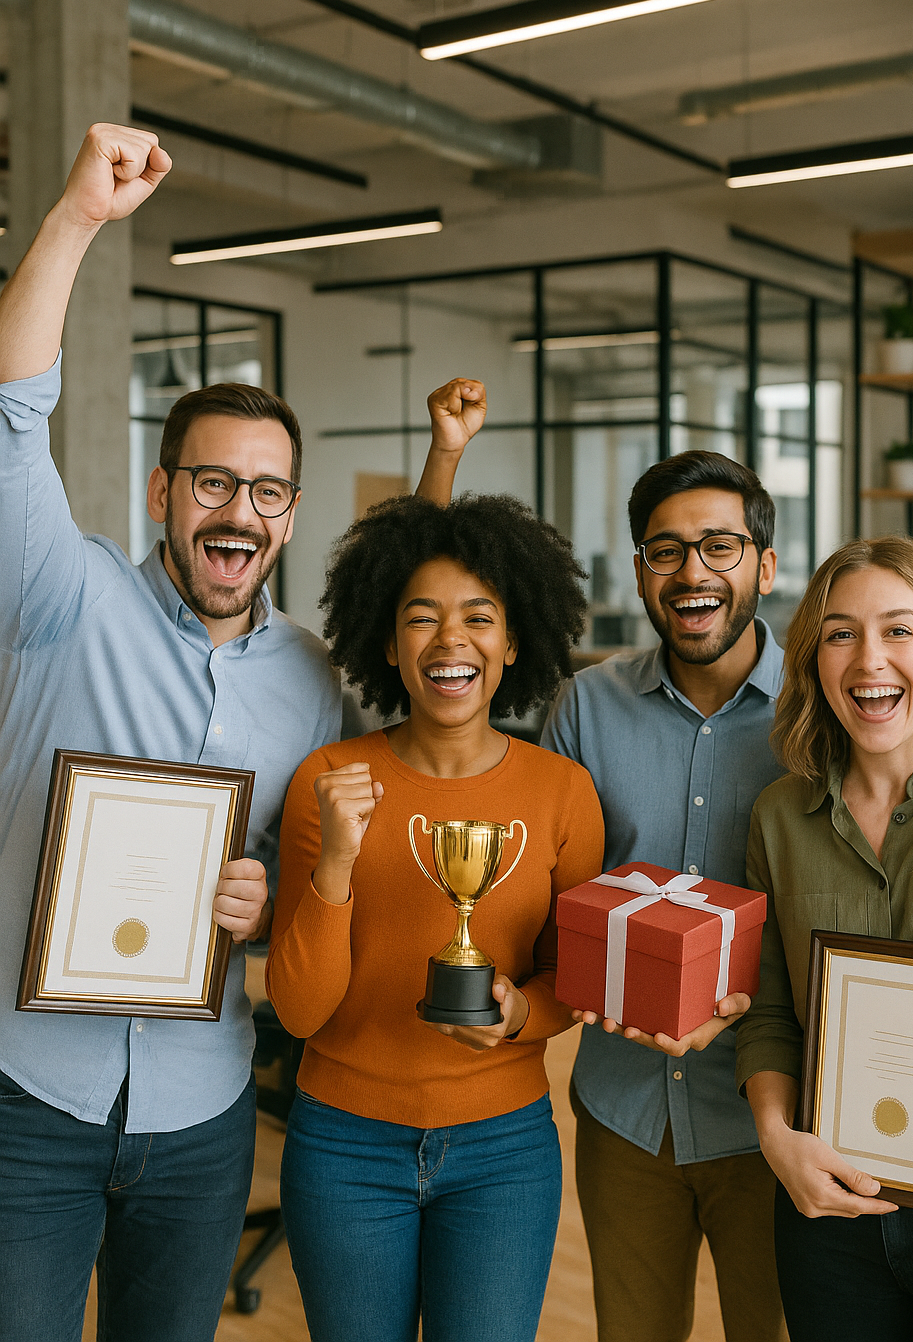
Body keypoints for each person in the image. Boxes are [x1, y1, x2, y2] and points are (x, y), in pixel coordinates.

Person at [0, 121, 486, 1342]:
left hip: (200, 1111)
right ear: (162, 494)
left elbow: (414, 644)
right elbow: (11, 414)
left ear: (290, 514)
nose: (239, 511)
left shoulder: (311, 684)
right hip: (28, 1096)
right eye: (211, 482)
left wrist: (265, 900)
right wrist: (74, 221)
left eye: (266, 490)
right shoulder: (67, 597)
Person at [265, 491, 605, 1342]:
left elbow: (578, 978)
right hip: (344, 1146)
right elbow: (302, 1009)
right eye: (422, 618)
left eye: (478, 617)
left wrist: (522, 1013)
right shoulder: (327, 779)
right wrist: (338, 861)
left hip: (503, 1152)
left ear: (514, 639)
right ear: (388, 641)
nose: (451, 641)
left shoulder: (564, 792)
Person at [737, 438, 913, 1341]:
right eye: (841, 633)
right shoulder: (781, 817)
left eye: (900, 629)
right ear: (815, 660)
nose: (870, 660)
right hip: (830, 1180)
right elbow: (773, 1009)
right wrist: (780, 1142)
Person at [541, 450, 786, 1342]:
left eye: (721, 547)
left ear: (766, 564)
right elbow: (557, 896)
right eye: (665, 551)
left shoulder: (825, 705)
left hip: (776, 1116)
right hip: (625, 1113)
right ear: (642, 569)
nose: (693, 573)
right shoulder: (586, 706)